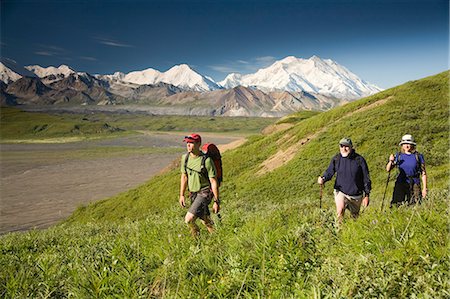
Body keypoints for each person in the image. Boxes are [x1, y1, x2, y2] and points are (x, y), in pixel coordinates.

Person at [317, 138, 371, 224]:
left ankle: (351, 234)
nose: (344, 149)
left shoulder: (359, 160)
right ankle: (339, 230)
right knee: (340, 210)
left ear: (351, 147)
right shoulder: (337, 159)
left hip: (356, 195)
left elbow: (366, 178)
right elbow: (330, 171)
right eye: (342, 146)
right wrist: (323, 178)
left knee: (355, 217)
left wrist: (367, 195)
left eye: (346, 147)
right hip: (341, 191)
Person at [179, 133, 220, 237]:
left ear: (198, 144)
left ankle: (197, 240)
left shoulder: (207, 161)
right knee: (204, 219)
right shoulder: (185, 158)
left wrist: (216, 201)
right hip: (193, 193)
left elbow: (213, 182)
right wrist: (182, 195)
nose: (188, 145)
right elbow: (184, 177)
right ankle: (218, 237)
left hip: (204, 192)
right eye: (187, 143)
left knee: (188, 219)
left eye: (191, 143)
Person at [386, 134, 427, 206]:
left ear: (412, 145)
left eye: (408, 144)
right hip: (401, 182)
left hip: (415, 183)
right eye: (404, 144)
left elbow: (423, 172)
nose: (407, 146)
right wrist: (390, 161)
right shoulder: (398, 156)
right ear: (402, 145)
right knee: (396, 204)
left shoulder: (418, 156)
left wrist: (424, 188)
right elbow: (388, 169)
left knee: (416, 204)